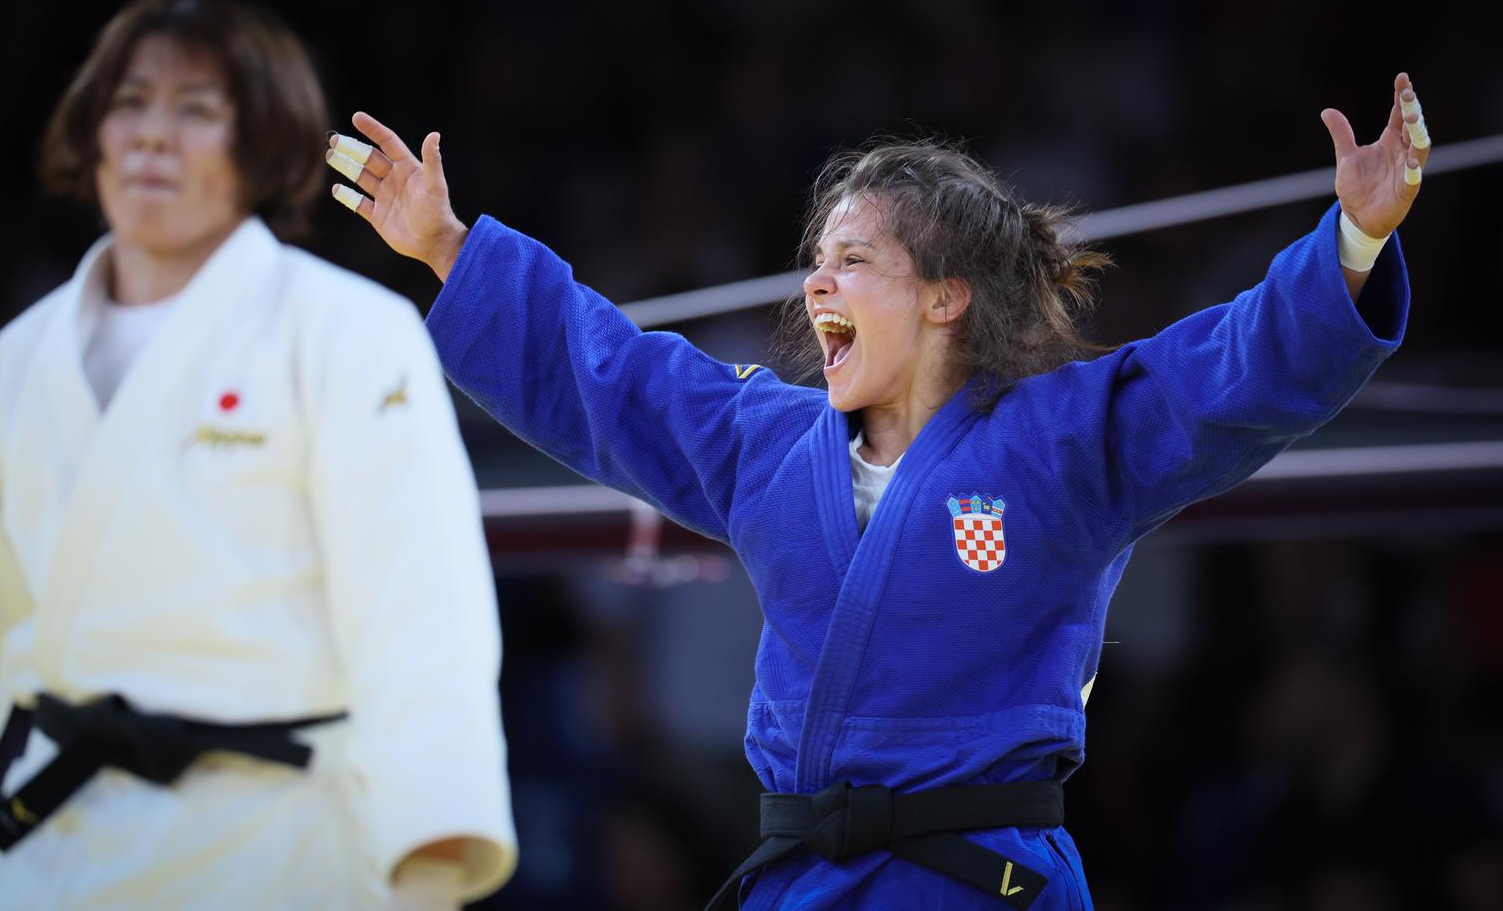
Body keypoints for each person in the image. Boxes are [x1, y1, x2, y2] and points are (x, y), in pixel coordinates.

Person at [325, 74, 1427, 909]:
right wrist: (450, 248)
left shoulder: (1056, 443)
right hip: (801, 878)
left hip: (977, 876)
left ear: (945, 297)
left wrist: (1354, 240)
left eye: (851, 258)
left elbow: (1222, 369)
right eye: (816, 257)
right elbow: (607, 376)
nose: (814, 280)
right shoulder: (769, 442)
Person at [0, 0, 515, 911]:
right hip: (60, 852)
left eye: (195, 111)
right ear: (93, 134)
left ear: (258, 145)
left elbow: (421, 618)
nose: (154, 135)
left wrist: (428, 863)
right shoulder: (21, 361)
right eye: (131, 103)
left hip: (279, 847)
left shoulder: (349, 333)